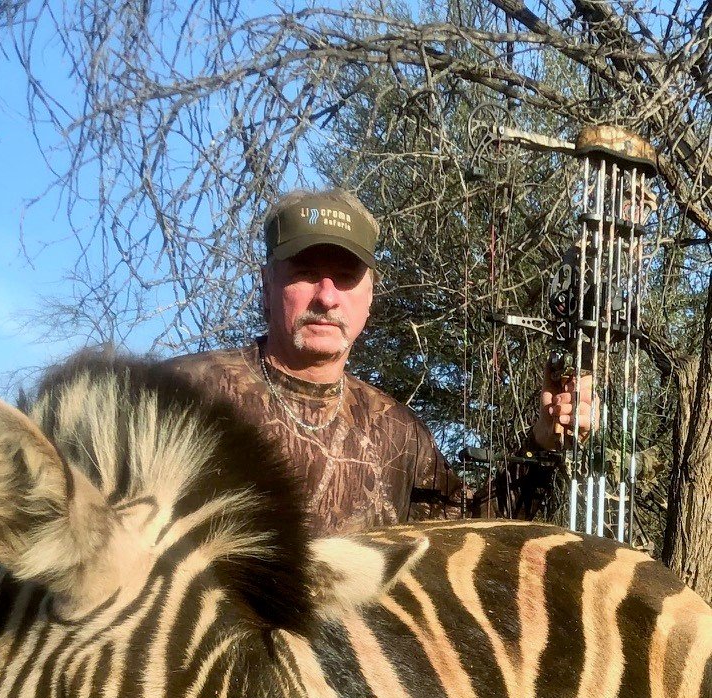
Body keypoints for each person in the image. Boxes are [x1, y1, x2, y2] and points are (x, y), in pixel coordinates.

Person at [170, 187, 591, 533]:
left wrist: (541, 444)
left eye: (347, 277)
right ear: (266, 284)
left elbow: (468, 535)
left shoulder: (398, 432)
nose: (327, 296)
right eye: (305, 271)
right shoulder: (184, 393)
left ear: (370, 298)